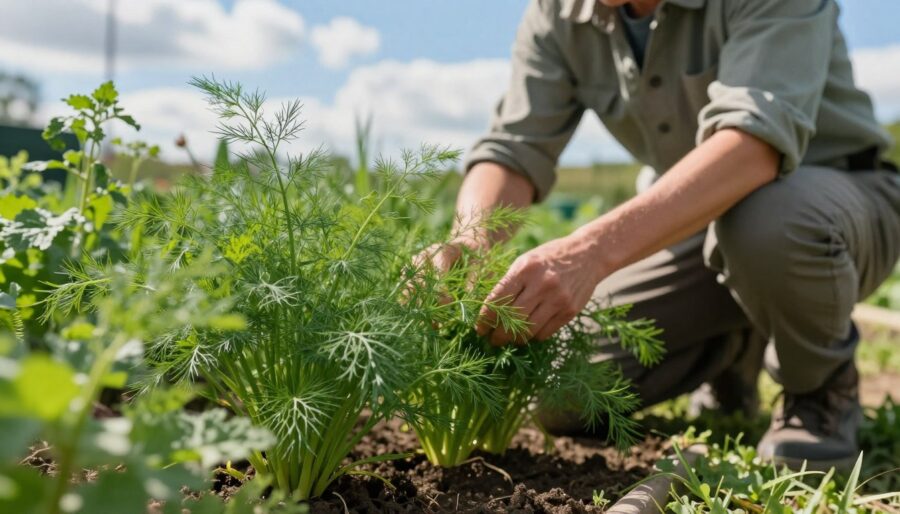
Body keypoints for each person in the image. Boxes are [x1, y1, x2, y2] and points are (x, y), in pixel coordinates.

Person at [422, 0, 900, 471]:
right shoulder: (558, 13)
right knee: (559, 389)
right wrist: (469, 243)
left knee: (767, 220)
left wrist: (589, 251)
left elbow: (754, 146)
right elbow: (513, 149)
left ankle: (819, 390)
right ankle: (732, 348)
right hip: (695, 227)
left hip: (829, 211)